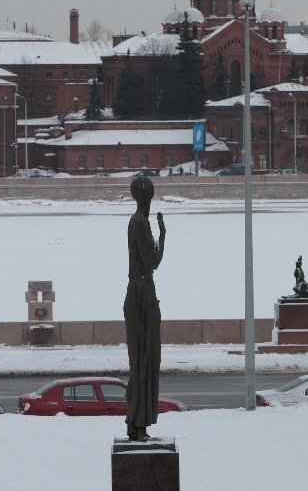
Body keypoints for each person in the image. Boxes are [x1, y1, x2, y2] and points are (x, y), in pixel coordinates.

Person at [124, 176, 166, 441]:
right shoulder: (140, 222)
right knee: (144, 361)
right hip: (142, 295)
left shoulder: (138, 221)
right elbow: (152, 261)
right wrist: (163, 236)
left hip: (141, 293)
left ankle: (137, 424)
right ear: (147, 198)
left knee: (144, 361)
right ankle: (138, 424)